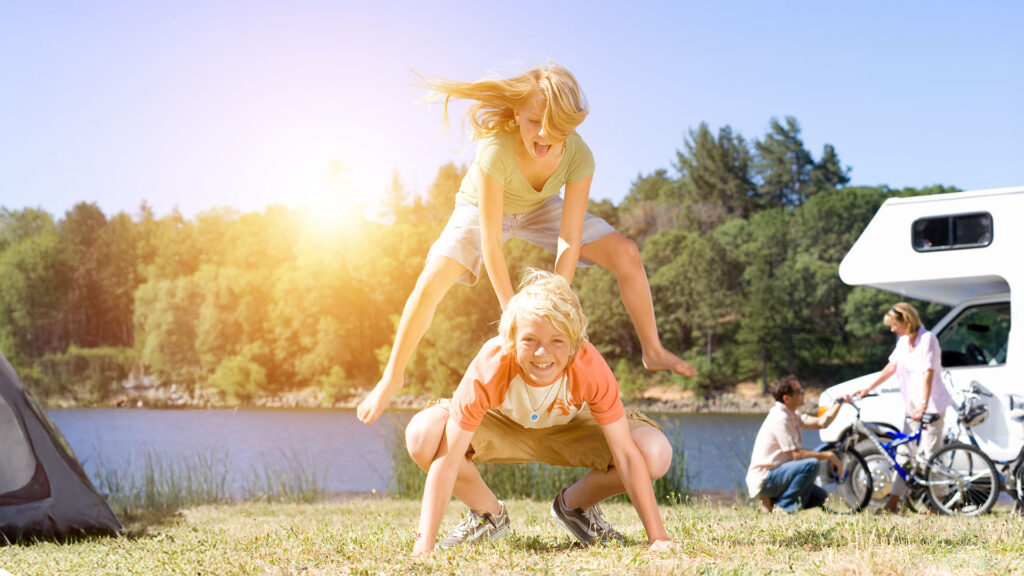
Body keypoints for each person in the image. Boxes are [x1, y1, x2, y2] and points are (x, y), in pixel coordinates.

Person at [357, 62, 696, 426]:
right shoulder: (494, 149)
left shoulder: (579, 157)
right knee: (431, 281)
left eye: (558, 128)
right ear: (518, 113)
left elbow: (570, 238)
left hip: (540, 208)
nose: (544, 136)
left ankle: (653, 350)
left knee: (627, 253)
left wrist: (555, 304)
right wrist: (512, 315)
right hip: (483, 208)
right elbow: (491, 242)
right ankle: (393, 375)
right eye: (535, 122)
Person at [404, 269, 678, 555]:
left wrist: (658, 538)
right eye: (529, 340)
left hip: (570, 429)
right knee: (424, 435)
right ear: (511, 339)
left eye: (557, 341)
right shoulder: (492, 365)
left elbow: (625, 454)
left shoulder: (588, 365)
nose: (542, 353)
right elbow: (447, 461)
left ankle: (574, 508)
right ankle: (488, 515)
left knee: (654, 453)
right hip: (503, 427)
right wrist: (424, 547)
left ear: (574, 343)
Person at [852, 302, 953, 512]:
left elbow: (929, 373)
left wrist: (924, 406)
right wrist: (867, 387)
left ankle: (938, 506)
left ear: (906, 321)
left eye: (894, 324)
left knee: (931, 453)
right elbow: (891, 366)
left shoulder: (928, 340)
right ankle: (893, 503)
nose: (892, 329)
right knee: (904, 453)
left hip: (931, 405)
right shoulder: (903, 341)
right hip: (912, 407)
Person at [746, 375, 845, 514]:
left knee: (820, 497)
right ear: (787, 398)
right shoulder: (780, 418)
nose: (803, 393)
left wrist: (839, 402)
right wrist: (829, 456)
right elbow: (797, 455)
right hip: (765, 479)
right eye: (799, 391)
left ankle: (770, 504)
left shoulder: (792, 415)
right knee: (811, 464)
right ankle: (782, 509)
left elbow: (822, 422)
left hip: (779, 475)